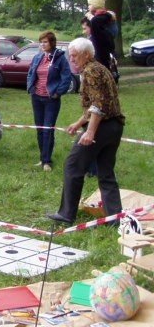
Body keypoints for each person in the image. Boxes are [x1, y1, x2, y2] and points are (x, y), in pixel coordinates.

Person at [47, 38, 125, 225]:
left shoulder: (90, 71)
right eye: (70, 55)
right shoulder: (100, 68)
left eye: (74, 55)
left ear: (87, 54)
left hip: (102, 127)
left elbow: (98, 105)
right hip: (115, 126)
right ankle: (115, 218)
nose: (71, 59)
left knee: (73, 166)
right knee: (106, 172)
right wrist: (79, 122)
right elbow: (99, 102)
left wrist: (89, 132)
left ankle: (66, 214)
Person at [26, 31, 72, 172]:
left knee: (48, 129)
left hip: (51, 100)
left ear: (52, 43)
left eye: (45, 42)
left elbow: (66, 77)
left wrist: (58, 93)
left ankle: (47, 161)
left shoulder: (60, 58)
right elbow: (30, 73)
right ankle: (42, 158)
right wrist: (31, 88)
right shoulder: (37, 57)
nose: (42, 44)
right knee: (40, 129)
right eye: (41, 42)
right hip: (37, 98)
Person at [85, 0, 115, 70]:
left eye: (90, 4)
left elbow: (95, 26)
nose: (88, 6)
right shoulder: (105, 17)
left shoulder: (98, 19)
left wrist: (91, 17)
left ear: (96, 5)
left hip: (101, 54)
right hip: (104, 53)